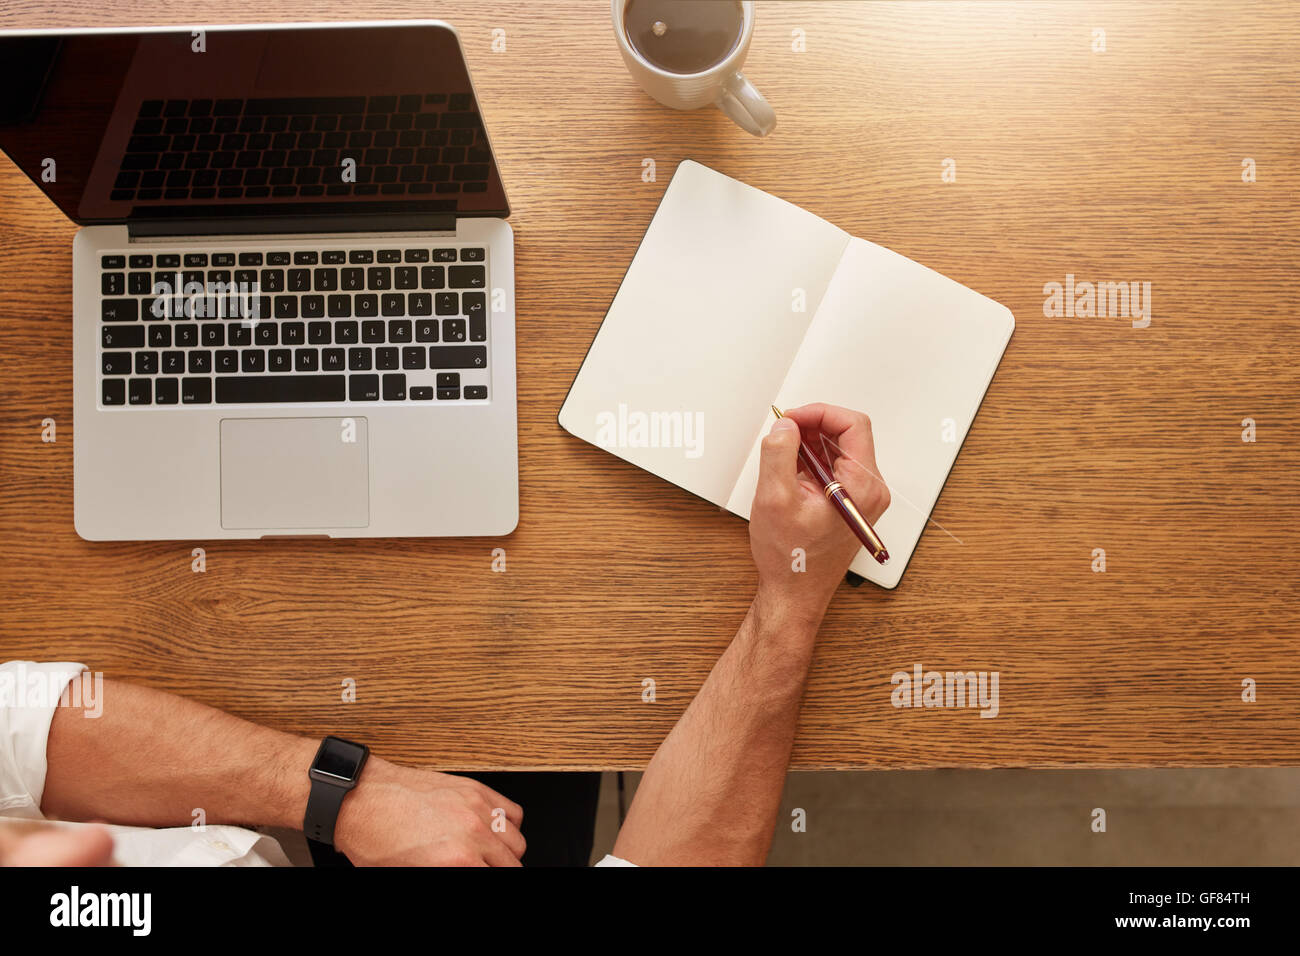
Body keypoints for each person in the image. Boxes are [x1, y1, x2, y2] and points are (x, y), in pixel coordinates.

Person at [0, 404, 887, 867]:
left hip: (277, 817)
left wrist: (338, 795)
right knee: (545, 729)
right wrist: (790, 597)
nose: (79, 853)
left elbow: (17, 729)